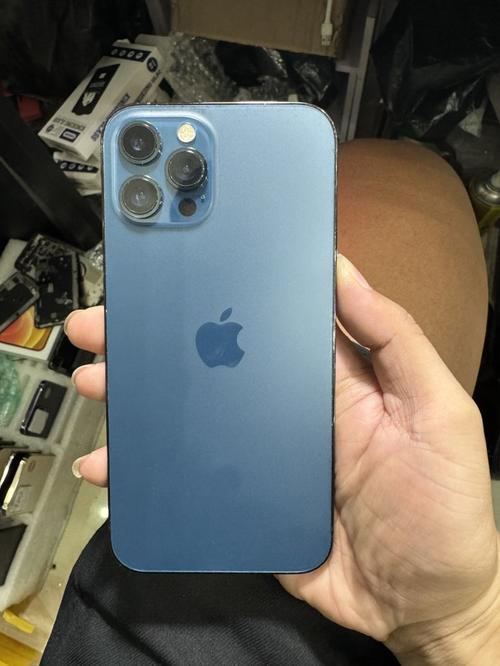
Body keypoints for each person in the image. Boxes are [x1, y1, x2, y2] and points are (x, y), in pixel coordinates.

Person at [43, 140, 500, 665]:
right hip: (324, 616)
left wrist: (461, 623)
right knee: (413, 174)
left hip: (137, 609)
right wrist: (464, 624)